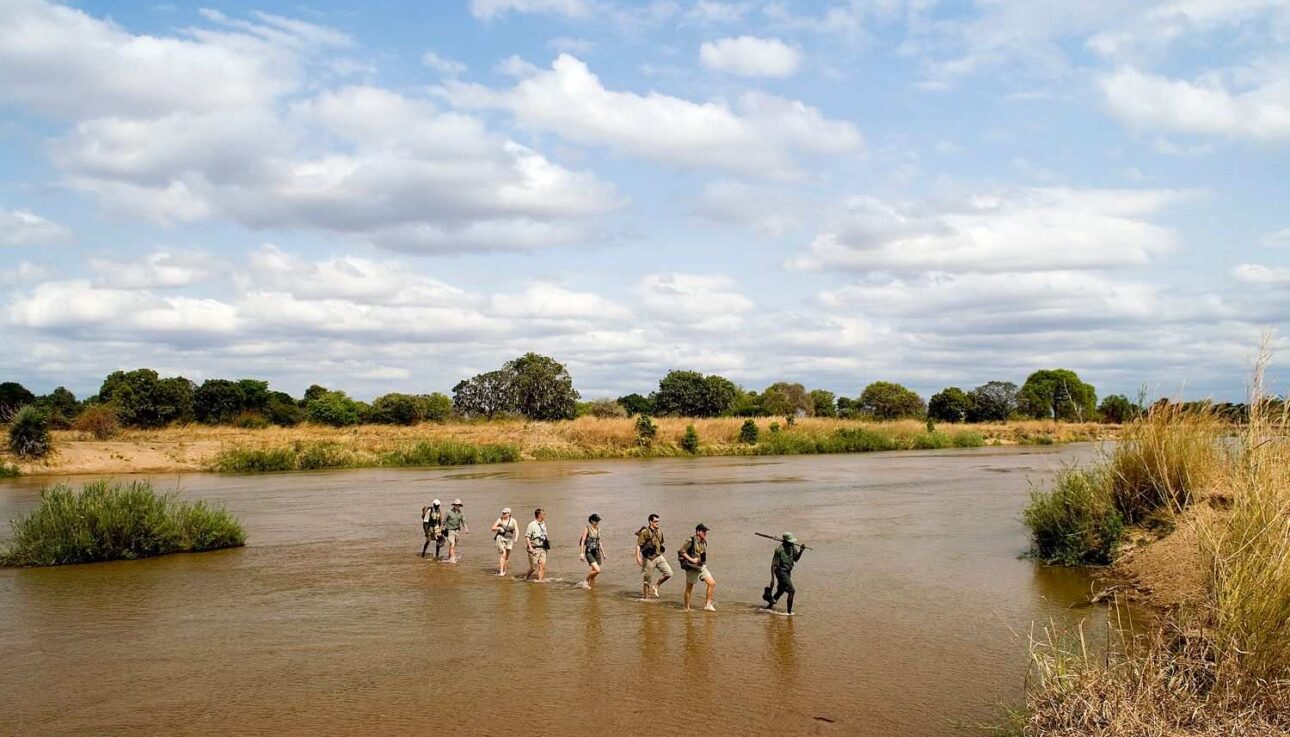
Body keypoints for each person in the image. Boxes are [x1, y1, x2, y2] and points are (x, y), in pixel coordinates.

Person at [765, 532, 805, 615]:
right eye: (790, 541)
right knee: (791, 590)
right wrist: (772, 578)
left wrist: (801, 550)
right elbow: (773, 564)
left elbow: (796, 559)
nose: (792, 543)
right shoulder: (779, 549)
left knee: (781, 590)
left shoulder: (792, 547)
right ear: (785, 541)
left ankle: (768, 608)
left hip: (787, 572)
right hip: (780, 572)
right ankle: (789, 613)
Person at [679, 523, 715, 612]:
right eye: (703, 531)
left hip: (701, 566)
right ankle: (687, 608)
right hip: (691, 567)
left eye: (706, 531)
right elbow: (682, 552)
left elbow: (703, 554)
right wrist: (691, 559)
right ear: (698, 532)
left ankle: (708, 605)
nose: (705, 533)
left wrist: (703, 563)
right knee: (689, 587)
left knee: (712, 583)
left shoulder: (704, 542)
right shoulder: (690, 540)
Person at [635, 513, 672, 599]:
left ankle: (656, 586)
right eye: (655, 521)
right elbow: (638, 545)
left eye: (658, 521)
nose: (657, 523)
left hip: (659, 556)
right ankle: (646, 598)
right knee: (647, 580)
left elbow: (661, 542)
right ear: (650, 522)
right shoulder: (645, 532)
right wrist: (638, 557)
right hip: (648, 558)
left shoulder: (659, 531)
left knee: (669, 573)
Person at [577, 513, 605, 589]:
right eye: (596, 520)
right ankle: (586, 580)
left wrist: (603, 553)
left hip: (596, 552)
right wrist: (581, 553)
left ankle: (591, 589)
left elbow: (599, 542)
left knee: (594, 574)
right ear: (592, 521)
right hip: (589, 552)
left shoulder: (598, 529)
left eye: (598, 521)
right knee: (597, 570)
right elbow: (583, 541)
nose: (598, 522)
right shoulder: (587, 528)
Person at [491, 507, 519, 576]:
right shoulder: (500, 519)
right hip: (501, 538)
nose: (503, 514)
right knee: (503, 554)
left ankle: (505, 571)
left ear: (509, 514)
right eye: (503, 513)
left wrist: (516, 537)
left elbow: (517, 530)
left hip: (509, 539)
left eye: (505, 513)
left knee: (507, 556)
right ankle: (501, 572)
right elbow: (492, 528)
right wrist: (499, 528)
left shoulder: (513, 520)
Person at [524, 508, 549, 582]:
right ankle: (526, 577)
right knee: (534, 567)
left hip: (543, 548)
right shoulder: (531, 525)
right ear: (539, 515)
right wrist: (531, 548)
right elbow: (527, 537)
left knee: (542, 565)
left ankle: (540, 581)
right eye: (543, 514)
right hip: (534, 548)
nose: (544, 515)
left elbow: (545, 535)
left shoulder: (543, 524)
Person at [443, 498, 468, 564]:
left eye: (459, 505)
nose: (457, 506)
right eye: (456, 505)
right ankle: (452, 558)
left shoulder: (461, 513)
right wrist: (440, 530)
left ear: (460, 506)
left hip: (457, 531)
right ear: (454, 505)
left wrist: (466, 528)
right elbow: (444, 521)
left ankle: (449, 557)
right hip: (450, 530)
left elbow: (463, 522)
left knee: (453, 545)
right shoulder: (448, 512)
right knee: (452, 544)